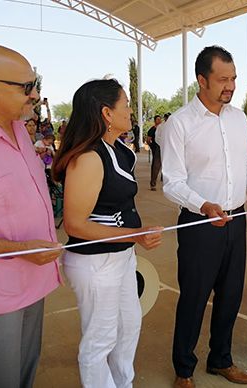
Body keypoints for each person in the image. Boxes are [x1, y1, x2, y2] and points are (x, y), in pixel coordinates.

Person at [161, 46, 247, 388]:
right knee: (195, 297)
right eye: (222, 79)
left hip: (236, 219)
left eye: (233, 78)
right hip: (200, 223)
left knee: (230, 295)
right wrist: (203, 205)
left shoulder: (237, 117)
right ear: (202, 80)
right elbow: (173, 182)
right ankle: (184, 369)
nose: (230, 86)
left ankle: (220, 360)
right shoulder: (180, 124)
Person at [52, 78, 163, 388]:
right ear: (106, 113)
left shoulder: (119, 150)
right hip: (95, 263)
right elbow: (75, 225)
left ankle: (122, 383)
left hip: (121, 257)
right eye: (125, 105)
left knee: (128, 326)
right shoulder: (88, 158)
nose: (131, 111)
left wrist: (133, 238)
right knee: (99, 339)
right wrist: (135, 233)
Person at [0, 44, 61, 388]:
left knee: (23, 377)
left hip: (31, 285)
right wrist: (22, 248)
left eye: (34, 84)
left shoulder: (18, 130)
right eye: (26, 87)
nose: (35, 95)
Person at [147, 114, 162, 190]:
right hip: (156, 148)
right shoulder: (152, 129)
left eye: (160, 119)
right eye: (158, 119)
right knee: (156, 165)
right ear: (155, 120)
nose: (159, 121)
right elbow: (148, 140)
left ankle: (163, 178)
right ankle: (153, 183)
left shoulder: (163, 127)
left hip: (162, 147)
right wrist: (152, 146)